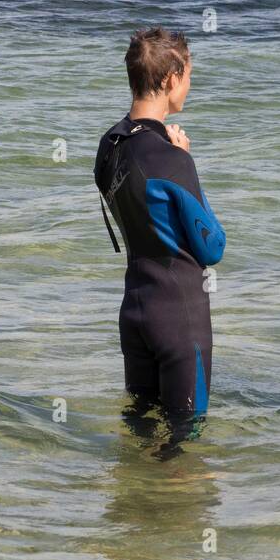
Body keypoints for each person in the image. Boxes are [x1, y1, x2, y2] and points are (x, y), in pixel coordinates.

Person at [95, 28, 225, 436]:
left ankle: (135, 501)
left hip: (135, 313)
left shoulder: (109, 148)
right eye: (188, 75)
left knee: (140, 435)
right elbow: (212, 246)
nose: (190, 84)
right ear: (170, 79)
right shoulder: (171, 158)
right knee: (184, 444)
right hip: (179, 319)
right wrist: (186, 162)